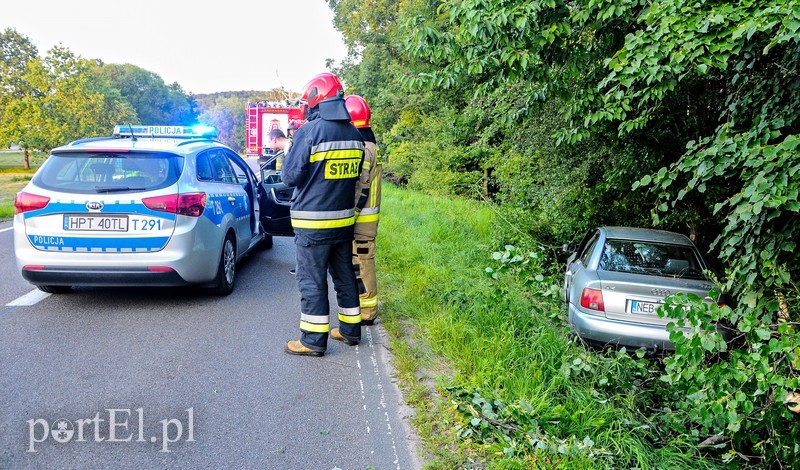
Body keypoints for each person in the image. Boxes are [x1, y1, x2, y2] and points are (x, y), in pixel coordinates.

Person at [282, 72, 365, 357]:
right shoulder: (355, 134)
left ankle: (312, 340)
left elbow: (290, 177)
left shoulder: (309, 132)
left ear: (317, 98)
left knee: (311, 281)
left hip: (313, 225)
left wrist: (289, 150)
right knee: (344, 276)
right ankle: (351, 330)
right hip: (343, 223)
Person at [345, 95, 382, 325]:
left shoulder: (364, 149)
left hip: (362, 222)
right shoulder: (371, 145)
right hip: (367, 219)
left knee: (363, 264)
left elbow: (361, 187)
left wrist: (350, 216)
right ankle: (363, 307)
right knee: (360, 263)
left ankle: (367, 313)